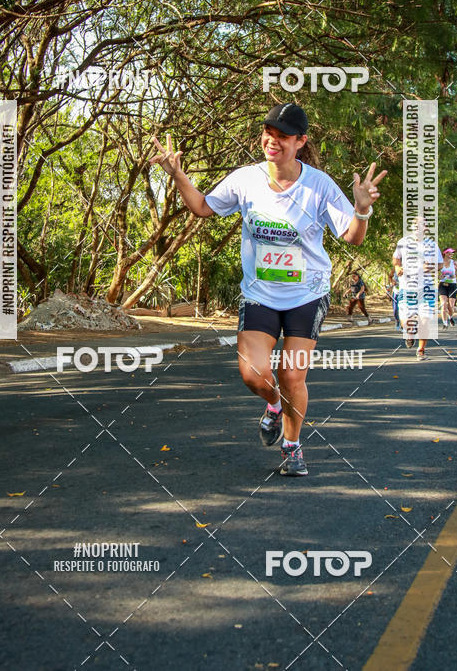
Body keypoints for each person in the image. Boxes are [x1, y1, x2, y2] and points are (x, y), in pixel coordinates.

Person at [150, 103, 386, 476]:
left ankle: (292, 447)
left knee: (292, 375)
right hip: (259, 294)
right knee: (252, 374)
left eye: (282, 136)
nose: (272, 141)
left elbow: (352, 238)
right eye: (268, 132)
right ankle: (273, 404)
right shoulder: (245, 179)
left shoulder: (319, 185)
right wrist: (177, 174)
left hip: (306, 295)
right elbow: (201, 207)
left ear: (300, 141)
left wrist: (361, 210)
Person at [393, 219, 443, 361]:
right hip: (407, 288)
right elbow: (395, 259)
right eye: (415, 225)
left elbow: (440, 264)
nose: (417, 227)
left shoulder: (432, 245)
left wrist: (431, 267)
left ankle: (421, 350)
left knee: (425, 320)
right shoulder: (403, 242)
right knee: (407, 323)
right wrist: (397, 268)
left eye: (421, 225)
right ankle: (409, 333)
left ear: (425, 228)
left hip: (426, 288)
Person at [439, 248, 457, 328]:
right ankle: (445, 323)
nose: (452, 254)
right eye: (450, 253)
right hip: (443, 285)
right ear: (445, 253)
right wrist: (440, 276)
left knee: (451, 306)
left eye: (452, 253)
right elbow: (436, 274)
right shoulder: (440, 263)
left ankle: (450, 317)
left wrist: (455, 275)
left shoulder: (454, 263)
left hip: (452, 285)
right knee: (443, 304)